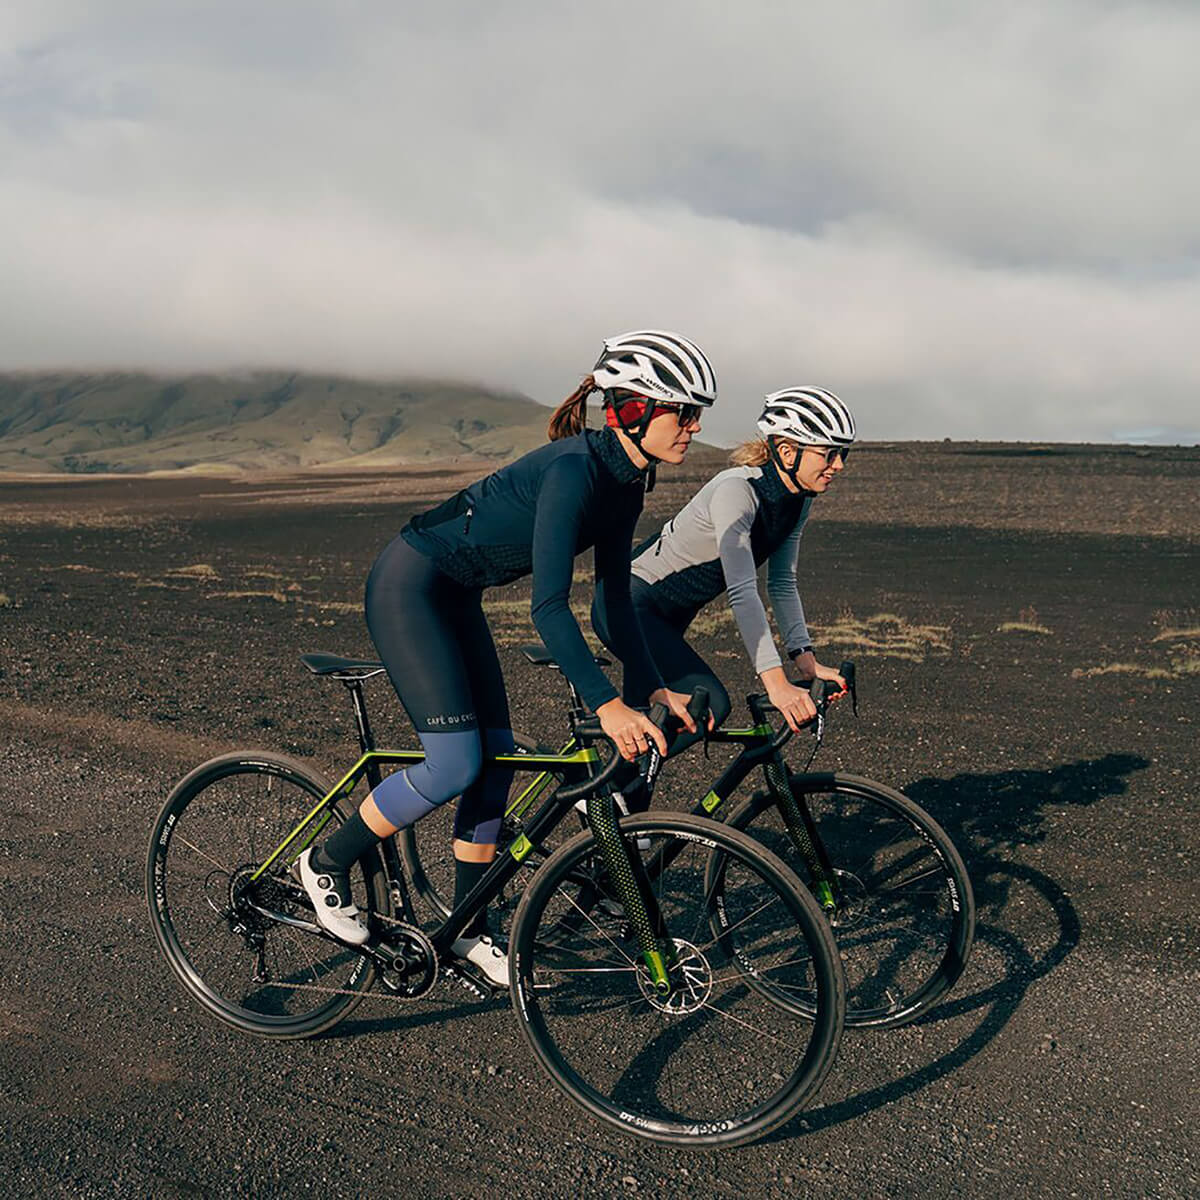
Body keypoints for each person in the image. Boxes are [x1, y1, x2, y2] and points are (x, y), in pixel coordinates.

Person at [298, 330, 717, 985]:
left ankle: (467, 928)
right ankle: (326, 860)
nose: (695, 427)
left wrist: (656, 685)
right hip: (410, 586)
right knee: (455, 764)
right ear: (633, 410)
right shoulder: (574, 472)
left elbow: (612, 595)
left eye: (697, 414)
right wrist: (608, 706)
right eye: (683, 412)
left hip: (457, 594)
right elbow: (548, 607)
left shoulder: (627, 482)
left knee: (495, 759)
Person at [593, 386, 855, 761]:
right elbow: (743, 591)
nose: (839, 465)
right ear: (787, 452)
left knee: (647, 735)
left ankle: (619, 795)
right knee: (710, 704)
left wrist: (805, 659)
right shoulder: (738, 490)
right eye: (829, 454)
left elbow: (782, 584)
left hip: (665, 621)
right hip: (628, 606)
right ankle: (611, 788)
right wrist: (776, 684)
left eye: (843, 453)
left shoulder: (798, 503)